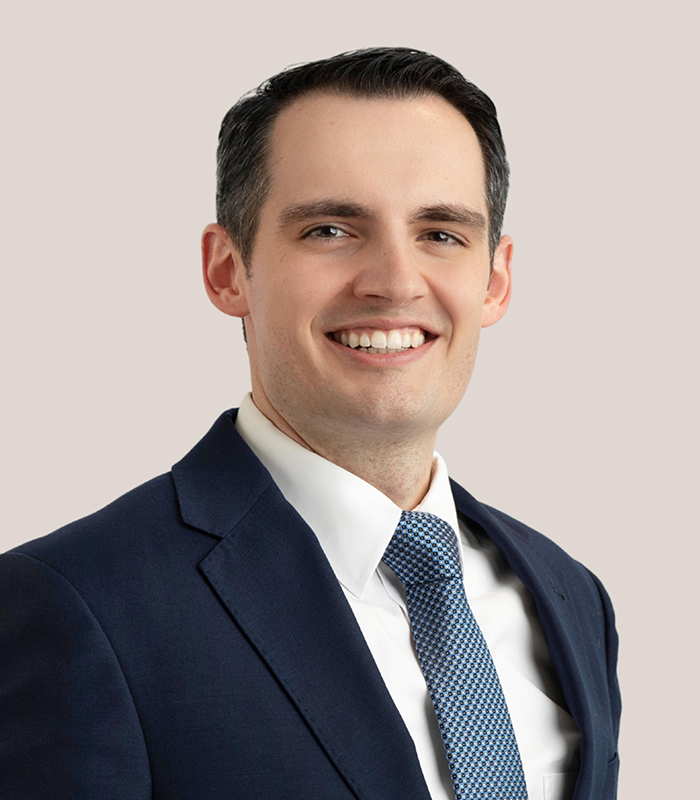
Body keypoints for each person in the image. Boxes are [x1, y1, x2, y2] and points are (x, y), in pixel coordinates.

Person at [0, 48, 620, 800]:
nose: (395, 281)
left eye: (441, 234)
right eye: (330, 229)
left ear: (495, 278)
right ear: (227, 270)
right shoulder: (79, 603)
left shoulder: (569, 596)